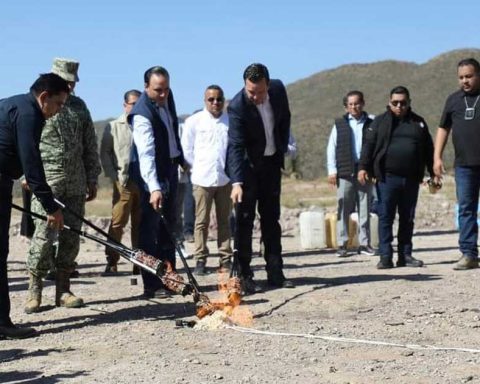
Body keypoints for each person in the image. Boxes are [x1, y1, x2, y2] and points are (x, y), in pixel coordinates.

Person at [25, 58, 101, 313]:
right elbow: (28, 142)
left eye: (72, 82)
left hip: (75, 182)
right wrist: (27, 173)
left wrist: (92, 177)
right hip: (47, 180)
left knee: (71, 238)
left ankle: (63, 290)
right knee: (44, 236)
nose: (69, 87)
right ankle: (34, 290)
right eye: (65, 81)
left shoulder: (80, 107)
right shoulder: (40, 106)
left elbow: (90, 143)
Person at [0, 73, 68, 339]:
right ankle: (2, 324)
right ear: (44, 98)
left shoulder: (15, 104)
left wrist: (22, 175)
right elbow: (32, 161)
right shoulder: (30, 114)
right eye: (59, 104)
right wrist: (52, 208)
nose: (59, 110)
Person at [227, 63, 294, 294]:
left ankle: (276, 272)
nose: (255, 96)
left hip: (271, 165)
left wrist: (282, 147)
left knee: (271, 220)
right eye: (250, 91)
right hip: (247, 168)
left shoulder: (278, 90)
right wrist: (236, 182)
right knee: (244, 223)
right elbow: (235, 146)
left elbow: (285, 117)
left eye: (259, 91)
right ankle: (245, 276)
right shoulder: (237, 106)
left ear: (268, 84)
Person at [358, 86, 434, 269]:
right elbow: (368, 146)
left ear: (409, 103)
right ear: (389, 102)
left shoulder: (418, 123)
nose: (399, 106)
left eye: (403, 103)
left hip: (411, 179)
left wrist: (433, 172)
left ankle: (405, 255)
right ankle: (385, 256)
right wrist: (363, 167)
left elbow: (428, 150)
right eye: (395, 103)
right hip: (387, 178)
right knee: (386, 217)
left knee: (407, 218)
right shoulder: (379, 122)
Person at [128, 66, 186, 299]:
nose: (163, 95)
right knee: (149, 232)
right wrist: (154, 188)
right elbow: (146, 155)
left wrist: (180, 158)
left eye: (166, 89)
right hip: (151, 177)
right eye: (157, 90)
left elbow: (172, 131)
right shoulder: (142, 114)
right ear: (146, 88)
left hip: (170, 170)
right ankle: (151, 284)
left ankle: (169, 279)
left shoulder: (167, 99)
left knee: (168, 228)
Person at [434, 58, 480, 270]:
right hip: (464, 166)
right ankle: (469, 254)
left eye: (469, 76)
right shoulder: (453, 100)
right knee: (466, 209)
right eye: (461, 77)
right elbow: (443, 128)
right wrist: (437, 157)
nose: (465, 81)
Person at [182, 85, 232, 275]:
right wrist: (197, 167)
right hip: (201, 179)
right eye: (211, 99)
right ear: (205, 101)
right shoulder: (194, 122)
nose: (215, 103)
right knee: (200, 221)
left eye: (219, 99)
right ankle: (200, 259)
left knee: (224, 221)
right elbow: (187, 149)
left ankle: (225, 259)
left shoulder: (230, 122)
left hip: (224, 179)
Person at [327, 90, 375, 257]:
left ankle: (365, 243)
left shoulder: (372, 123)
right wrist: (332, 171)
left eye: (357, 103)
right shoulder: (339, 124)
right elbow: (331, 148)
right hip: (345, 172)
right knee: (343, 208)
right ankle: (342, 244)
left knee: (365, 207)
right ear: (346, 107)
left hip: (365, 172)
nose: (354, 106)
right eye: (351, 104)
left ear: (363, 103)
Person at [100, 89, 142, 275]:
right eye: (132, 103)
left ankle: (139, 262)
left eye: (139, 103)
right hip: (123, 181)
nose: (136, 107)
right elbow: (105, 153)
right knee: (117, 223)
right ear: (125, 105)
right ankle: (112, 260)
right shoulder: (114, 126)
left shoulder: (145, 124)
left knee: (140, 225)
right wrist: (113, 175)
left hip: (143, 183)